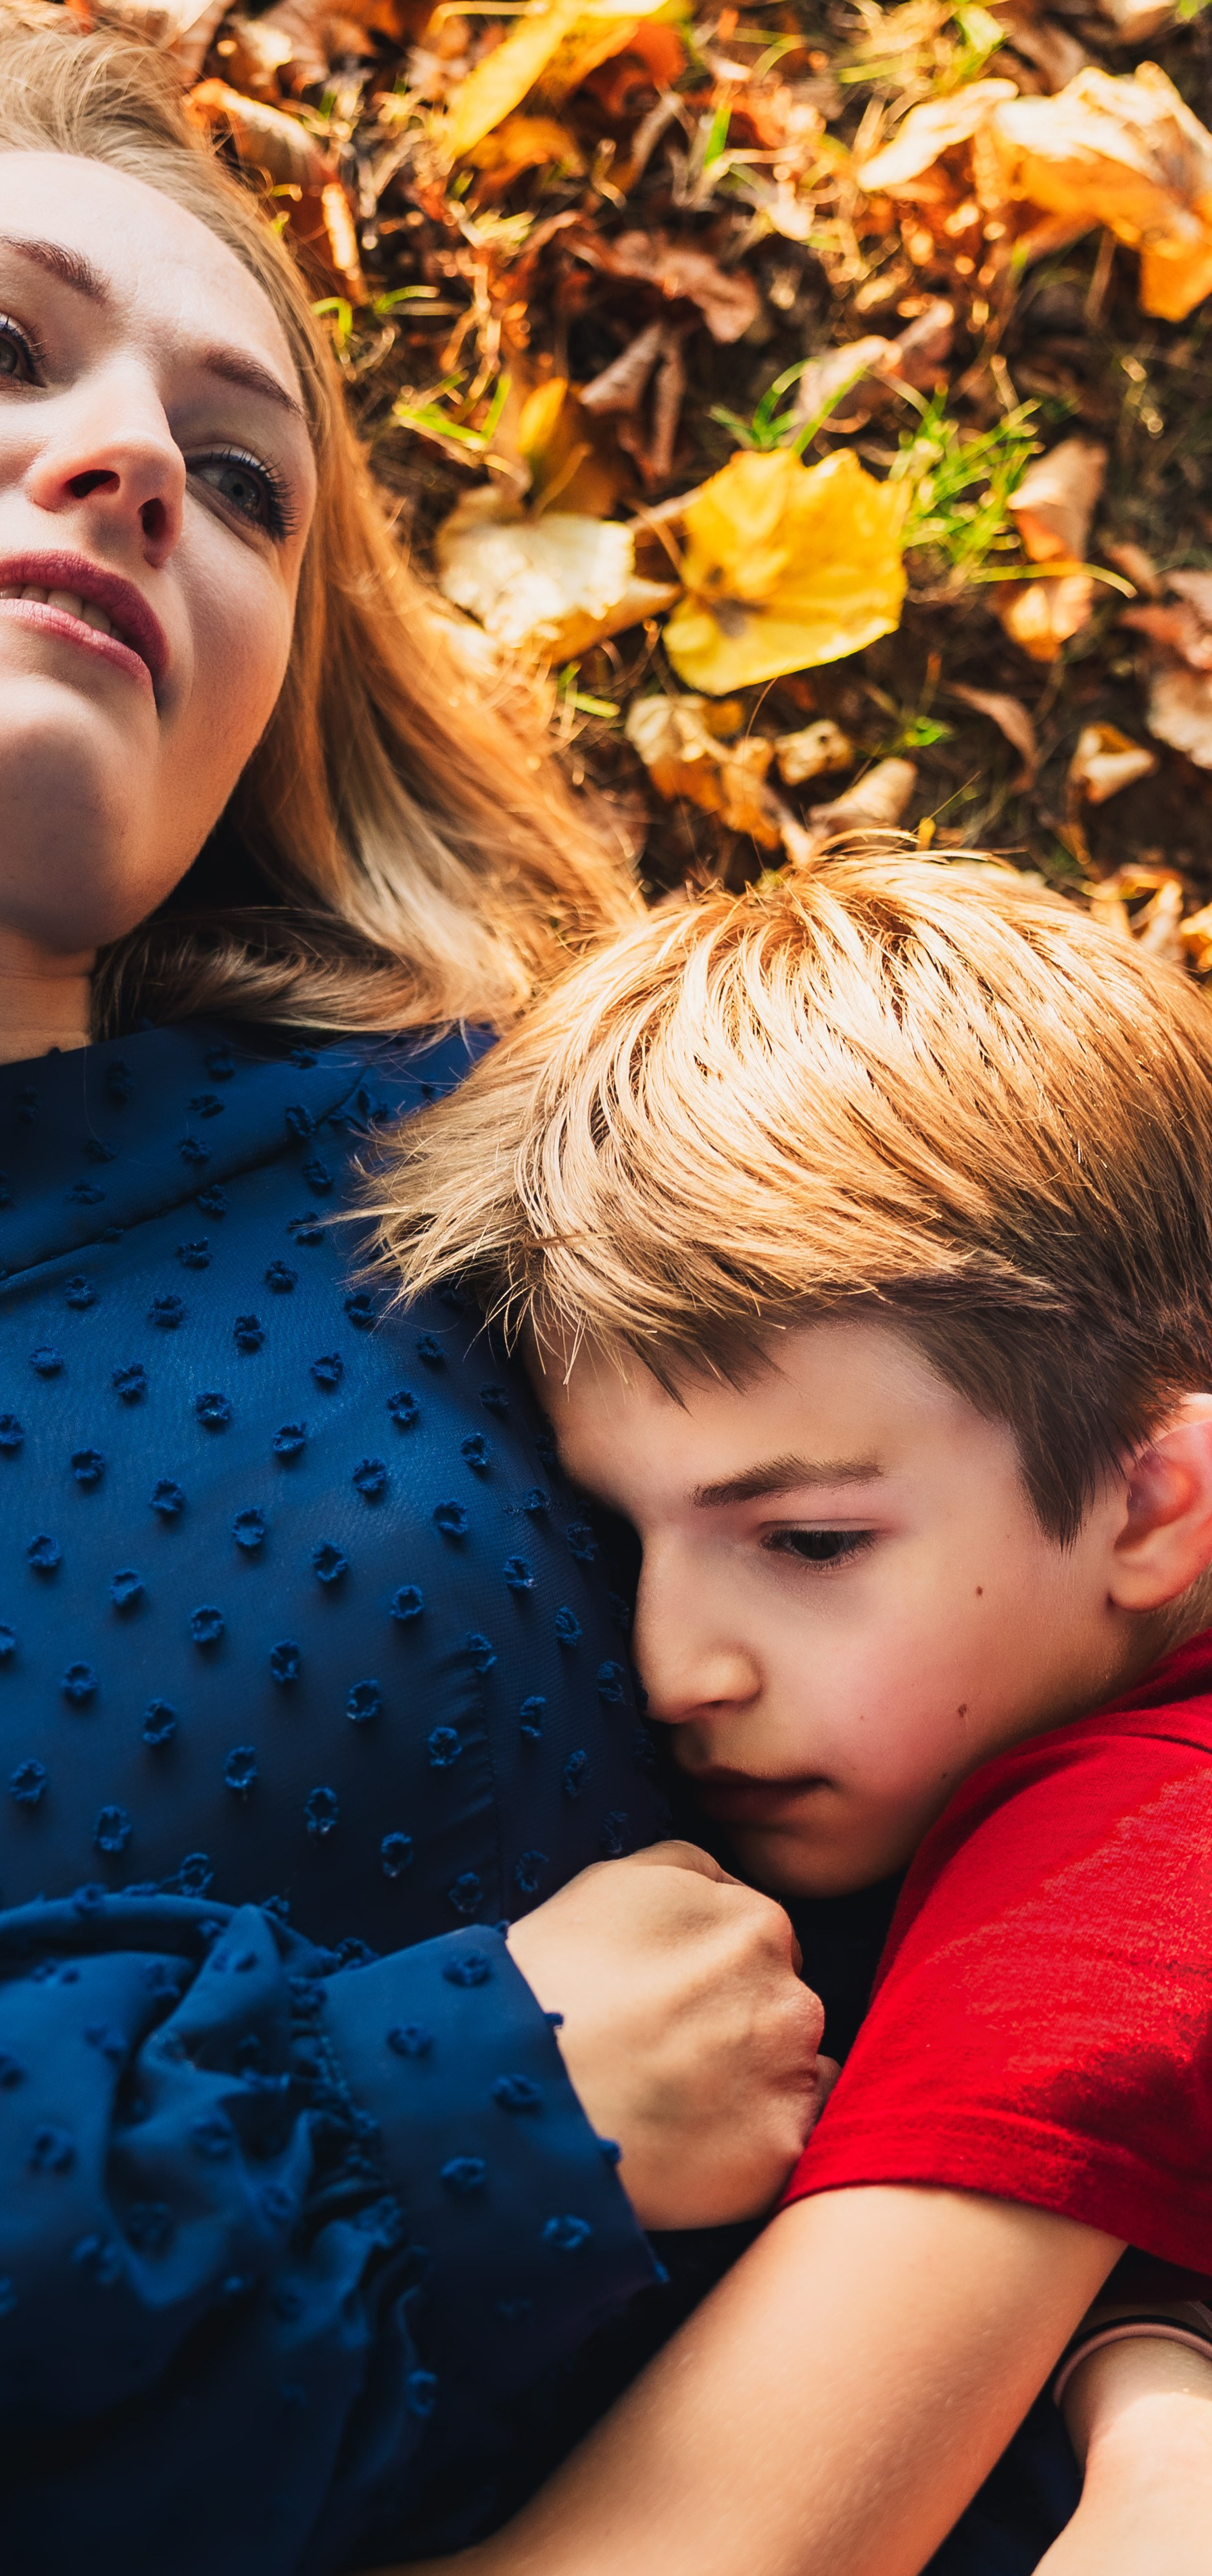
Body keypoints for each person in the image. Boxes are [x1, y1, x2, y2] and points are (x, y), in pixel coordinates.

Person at [0, 29, 836, 2571]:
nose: (129, 465)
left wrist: (1131, 2357)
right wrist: (441, 2120)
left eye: (242, 482)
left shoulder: (502, 1184)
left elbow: (1098, 1679)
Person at [364, 852, 1212, 2576]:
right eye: (614, 1537)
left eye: (808, 1541)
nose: (675, 1663)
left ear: (1149, 1501)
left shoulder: (1123, 1854)